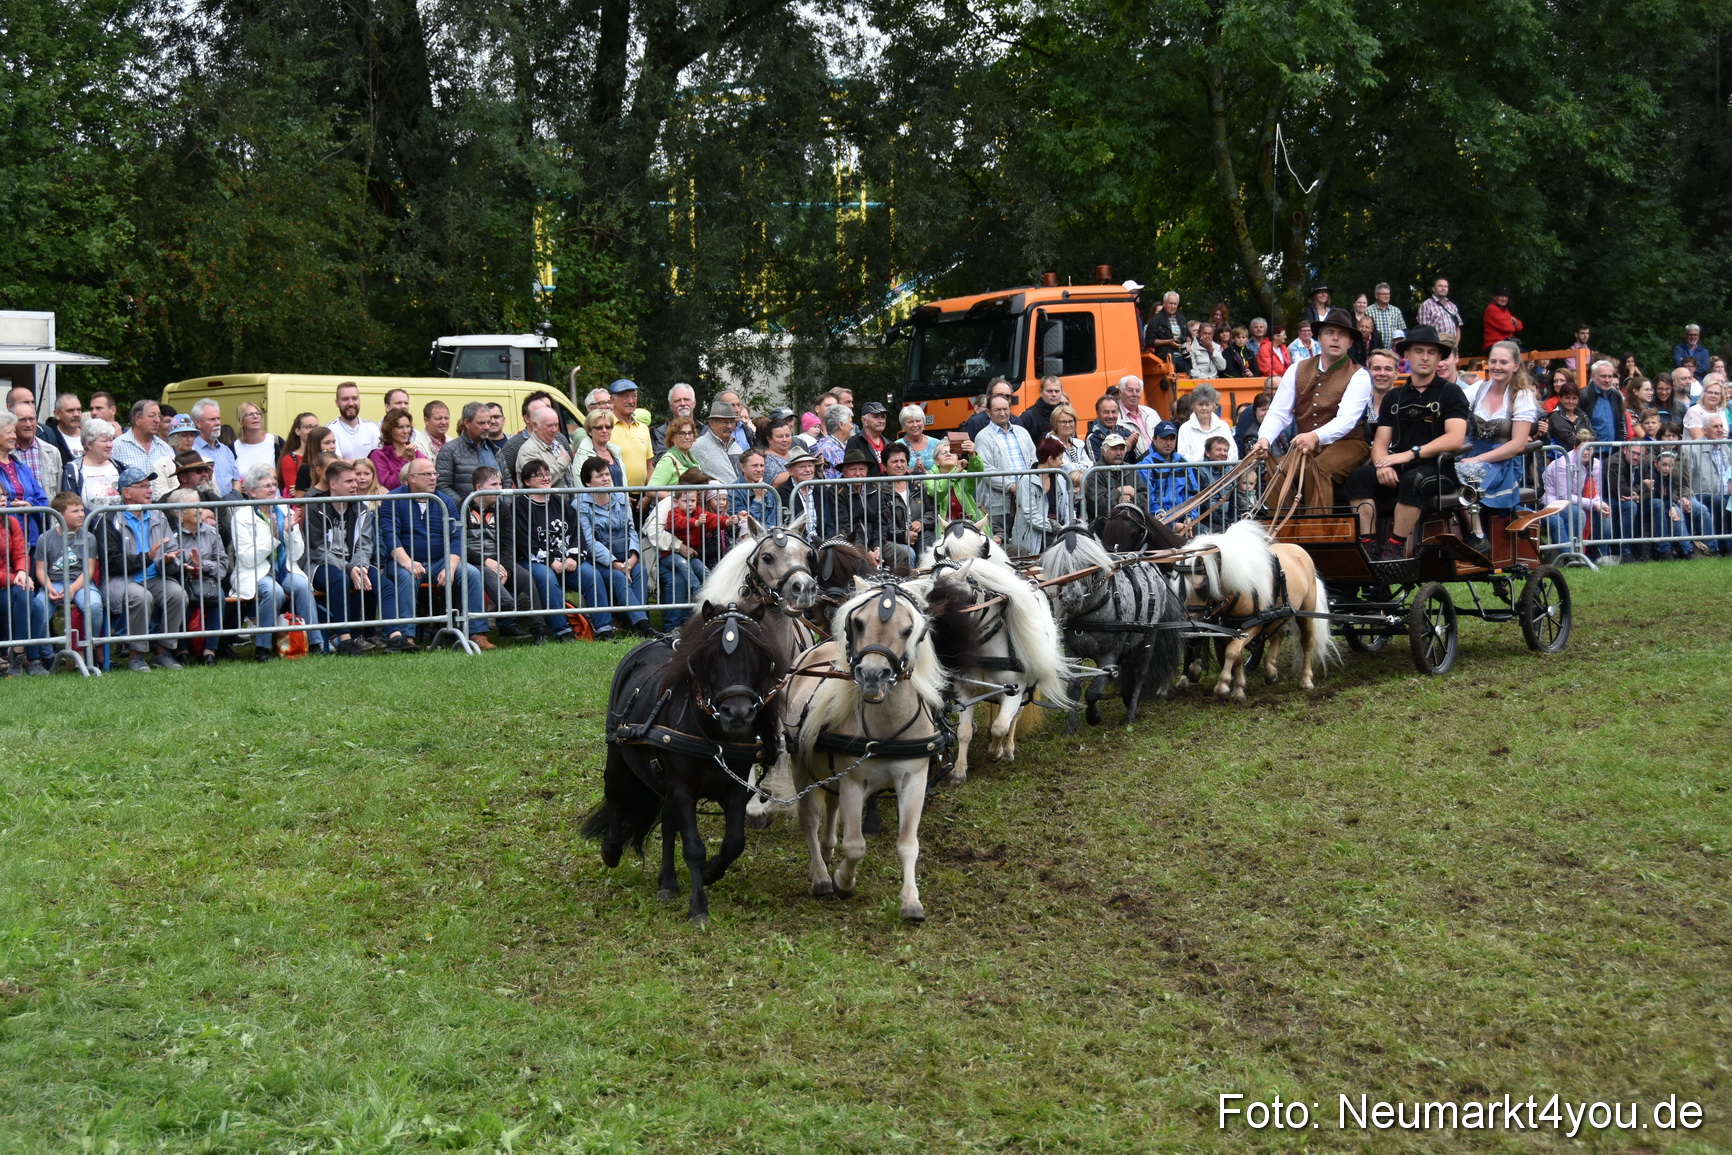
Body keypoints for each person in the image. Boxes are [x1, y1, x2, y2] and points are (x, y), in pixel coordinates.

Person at [1346, 325, 1471, 559]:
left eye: (1431, 352)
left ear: (1439, 357)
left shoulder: (1451, 393)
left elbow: (1455, 438)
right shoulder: (1395, 396)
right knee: (1359, 477)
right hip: (1399, 466)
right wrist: (1384, 465)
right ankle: (1369, 547)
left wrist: (1409, 454)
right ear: (1407, 356)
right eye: (1418, 351)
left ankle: (1395, 548)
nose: (1424, 357)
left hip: (1438, 470)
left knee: (1414, 480)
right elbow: (1381, 443)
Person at [1253, 308, 1373, 511]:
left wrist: (1315, 436)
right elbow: (1279, 413)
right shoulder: (1296, 369)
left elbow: (1347, 420)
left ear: (1350, 342)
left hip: (1350, 443)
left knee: (1317, 469)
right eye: (1329, 333)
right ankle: (1283, 534)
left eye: (1343, 334)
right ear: (1319, 338)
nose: (1336, 338)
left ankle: (1318, 535)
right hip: (1308, 446)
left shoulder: (1359, 375)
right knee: (1276, 471)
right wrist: (1264, 439)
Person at [381, 458, 493, 649]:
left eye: (435, 474)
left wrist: (450, 567)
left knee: (471, 573)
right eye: (427, 474)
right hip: (405, 561)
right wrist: (407, 562)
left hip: (440, 561)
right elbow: (390, 535)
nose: (433, 478)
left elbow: (457, 537)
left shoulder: (444, 500)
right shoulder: (393, 499)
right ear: (412, 478)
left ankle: (477, 633)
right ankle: (407, 637)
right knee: (406, 577)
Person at [91, 466, 187, 672]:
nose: (149, 490)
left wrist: (169, 560)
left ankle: (163, 651)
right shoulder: (109, 519)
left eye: (150, 485)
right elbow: (112, 562)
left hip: (155, 577)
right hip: (122, 580)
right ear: (126, 492)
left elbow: (170, 550)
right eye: (142, 486)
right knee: (141, 597)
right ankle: (137, 655)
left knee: (178, 594)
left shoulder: (157, 516)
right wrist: (148, 557)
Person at [1454, 340, 1540, 548]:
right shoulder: (1478, 389)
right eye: (1493, 361)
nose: (1497, 367)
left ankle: (1478, 536)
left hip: (1503, 459)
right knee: (1443, 475)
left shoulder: (1522, 396)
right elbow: (1453, 405)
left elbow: (1518, 445)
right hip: (1471, 452)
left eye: (1503, 362)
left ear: (1516, 366)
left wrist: (1477, 459)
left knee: (1466, 475)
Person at [231, 464, 317, 661]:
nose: (272, 489)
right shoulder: (241, 516)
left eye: (274, 485)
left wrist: (288, 532)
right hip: (255, 572)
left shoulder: (284, 509)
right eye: (266, 486)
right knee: (274, 591)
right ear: (252, 492)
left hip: (284, 569)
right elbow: (247, 558)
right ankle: (262, 648)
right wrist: (274, 538)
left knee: (303, 585)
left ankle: (315, 642)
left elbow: (296, 553)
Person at [304, 459, 385, 655]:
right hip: (320, 565)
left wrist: (360, 567)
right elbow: (318, 550)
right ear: (333, 484)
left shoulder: (361, 508)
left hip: (354, 564)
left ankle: (396, 635)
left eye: (355, 480)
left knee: (382, 582)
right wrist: (349, 569)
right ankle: (345, 639)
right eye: (349, 481)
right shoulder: (315, 507)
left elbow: (365, 545)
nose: (355, 485)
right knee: (340, 580)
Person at [499, 457, 579, 642]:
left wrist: (573, 556)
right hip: (532, 559)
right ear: (527, 481)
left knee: (592, 575)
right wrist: (551, 560)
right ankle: (562, 630)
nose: (545, 478)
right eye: (538, 475)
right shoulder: (520, 506)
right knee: (546, 577)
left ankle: (603, 627)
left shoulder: (560, 501)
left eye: (547, 474)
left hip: (565, 558)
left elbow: (576, 533)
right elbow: (524, 542)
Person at [576, 456, 653, 640]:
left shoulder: (621, 496)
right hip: (599, 560)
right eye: (599, 476)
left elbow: (631, 529)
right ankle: (643, 626)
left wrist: (633, 557)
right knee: (619, 577)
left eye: (607, 474)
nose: (606, 478)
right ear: (587, 482)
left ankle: (639, 622)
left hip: (626, 556)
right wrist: (615, 563)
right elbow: (589, 541)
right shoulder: (580, 504)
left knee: (640, 571)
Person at [162, 487, 231, 663]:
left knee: (219, 597)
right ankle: (182, 650)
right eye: (194, 506)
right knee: (181, 597)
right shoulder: (171, 536)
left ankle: (210, 650)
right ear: (179, 513)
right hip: (182, 580)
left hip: (208, 580)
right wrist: (183, 566)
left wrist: (203, 565)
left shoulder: (211, 533)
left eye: (200, 504)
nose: (200, 510)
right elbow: (169, 565)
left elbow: (223, 564)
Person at [30, 491, 99, 664]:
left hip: (81, 584)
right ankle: (47, 654)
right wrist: (49, 588)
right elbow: (40, 569)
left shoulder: (89, 537)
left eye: (82, 510)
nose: (82, 514)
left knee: (95, 606)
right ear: (60, 515)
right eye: (75, 511)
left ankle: (88, 650)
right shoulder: (45, 538)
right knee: (39, 610)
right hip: (54, 583)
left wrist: (73, 589)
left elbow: (89, 570)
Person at [463, 466, 526, 633]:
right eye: (494, 484)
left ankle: (535, 626)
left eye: (500, 484)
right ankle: (507, 606)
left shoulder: (502, 509)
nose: (500, 488)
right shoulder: (462, 507)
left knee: (523, 576)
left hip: (496, 559)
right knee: (486, 572)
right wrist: (485, 560)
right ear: (478, 488)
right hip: (473, 560)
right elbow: (459, 545)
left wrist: (505, 568)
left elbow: (507, 544)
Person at [974, 392, 1036, 542]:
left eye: (1006, 409)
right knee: (1002, 544)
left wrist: (1029, 486)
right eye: (997, 410)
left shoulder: (1022, 432)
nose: (1003, 413)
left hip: (1026, 498)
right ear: (988, 412)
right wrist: (1013, 487)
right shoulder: (983, 437)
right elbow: (986, 470)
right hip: (998, 504)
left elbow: (1034, 461)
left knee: (1026, 541)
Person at [1541, 430, 1611, 557]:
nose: (1585, 452)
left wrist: (1600, 502)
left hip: (1582, 501)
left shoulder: (1595, 464)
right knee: (1578, 513)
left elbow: (1597, 491)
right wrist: (1592, 504)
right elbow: (1564, 496)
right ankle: (1572, 555)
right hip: (1555, 502)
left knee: (1605, 514)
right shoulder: (1563, 464)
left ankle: (1602, 556)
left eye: (1589, 449)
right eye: (1581, 449)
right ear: (1575, 448)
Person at [1011, 438, 1072, 556]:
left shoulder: (1059, 478)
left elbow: (1066, 507)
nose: (1062, 462)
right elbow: (1031, 515)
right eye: (1060, 458)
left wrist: (1069, 527)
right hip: (1034, 537)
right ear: (1050, 459)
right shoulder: (1027, 480)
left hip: (1057, 532)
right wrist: (1054, 527)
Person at [0, 410, 51, 550]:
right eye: (8, 432)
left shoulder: (22, 467)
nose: (13, 437)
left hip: (29, 538)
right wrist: (8, 506)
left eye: (14, 432)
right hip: (3, 541)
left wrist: (30, 505)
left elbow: (42, 500)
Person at [1682, 415, 1730, 556]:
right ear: (1704, 430)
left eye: (1721, 426)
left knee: (1726, 501)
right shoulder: (1692, 448)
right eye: (1715, 426)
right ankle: (1725, 548)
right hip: (1700, 494)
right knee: (1720, 502)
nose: (1720, 430)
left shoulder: (1726, 448)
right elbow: (1686, 478)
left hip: (1725, 494)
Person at [111, 399, 177, 499]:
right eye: (152, 416)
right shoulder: (117, 446)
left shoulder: (164, 448)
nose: (157, 420)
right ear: (138, 419)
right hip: (130, 510)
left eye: (159, 416)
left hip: (160, 510)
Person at [434, 402, 499, 503]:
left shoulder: (495, 450)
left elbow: (506, 480)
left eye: (488, 422)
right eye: (481, 423)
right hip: (465, 515)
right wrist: (464, 506)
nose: (487, 427)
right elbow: (442, 485)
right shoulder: (449, 450)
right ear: (467, 423)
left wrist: (505, 504)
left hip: (497, 513)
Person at [1607, 440, 1661, 560]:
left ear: (1644, 455)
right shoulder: (1615, 462)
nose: (1636, 457)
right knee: (1630, 505)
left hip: (1635, 500)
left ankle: (1664, 550)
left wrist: (1639, 497)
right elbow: (1621, 491)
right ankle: (1624, 551)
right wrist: (1643, 486)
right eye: (1633, 453)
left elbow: (1653, 490)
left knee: (1658, 504)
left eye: (1639, 454)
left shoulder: (1644, 463)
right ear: (1625, 449)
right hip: (1611, 500)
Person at [1081, 433, 1150, 521]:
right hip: (1104, 524)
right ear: (1103, 451)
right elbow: (1099, 507)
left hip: (1132, 522)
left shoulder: (1131, 469)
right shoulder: (1094, 473)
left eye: (1121, 449)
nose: (1118, 453)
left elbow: (1144, 497)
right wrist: (1119, 491)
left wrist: (1129, 500)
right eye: (1114, 449)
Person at [923, 441, 988, 533]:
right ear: (936, 461)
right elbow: (936, 492)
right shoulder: (929, 476)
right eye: (944, 453)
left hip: (969, 525)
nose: (948, 454)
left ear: (957, 458)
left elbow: (978, 471)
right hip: (943, 530)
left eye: (952, 452)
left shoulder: (963, 474)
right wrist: (955, 473)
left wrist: (972, 454)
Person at [186, 399, 242, 494]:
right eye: (211, 419)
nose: (218, 423)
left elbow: (236, 481)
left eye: (218, 418)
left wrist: (233, 498)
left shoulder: (226, 451)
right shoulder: (190, 450)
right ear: (198, 423)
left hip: (230, 507)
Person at [9, 400, 62, 499]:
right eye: (22, 420)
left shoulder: (52, 452)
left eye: (31, 419)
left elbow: (60, 492)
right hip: (17, 513)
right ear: (12, 423)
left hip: (47, 513)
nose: (28, 424)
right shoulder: (5, 453)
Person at [606, 379, 653, 488]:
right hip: (616, 495)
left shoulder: (643, 428)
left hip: (642, 497)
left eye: (634, 396)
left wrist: (648, 494)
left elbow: (649, 465)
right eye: (625, 397)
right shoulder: (606, 427)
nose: (631, 401)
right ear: (612, 400)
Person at [515, 405, 576, 489]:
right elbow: (538, 482)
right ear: (535, 426)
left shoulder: (557, 444)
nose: (554, 429)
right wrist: (562, 463)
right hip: (544, 501)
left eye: (556, 425)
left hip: (563, 501)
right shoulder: (528, 450)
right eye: (549, 425)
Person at [369, 406, 427, 491]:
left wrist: (413, 460)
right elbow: (389, 485)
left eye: (408, 426)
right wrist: (405, 460)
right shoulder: (379, 455)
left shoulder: (416, 453)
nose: (406, 431)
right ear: (389, 430)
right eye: (400, 427)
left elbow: (427, 479)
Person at [1177, 383, 1237, 463]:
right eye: (1200, 404)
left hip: (1223, 472)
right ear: (1193, 407)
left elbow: (1233, 454)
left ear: (1214, 406)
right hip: (1196, 474)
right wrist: (1208, 455)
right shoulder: (1185, 428)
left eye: (1208, 404)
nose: (1204, 408)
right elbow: (1183, 458)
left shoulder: (1223, 426)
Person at [1579, 360, 1630, 446]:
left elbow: (1621, 422)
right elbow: (1579, 425)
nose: (1607, 380)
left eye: (1610, 376)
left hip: (1613, 451)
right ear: (1593, 376)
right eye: (1603, 376)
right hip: (1591, 450)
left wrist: (1619, 443)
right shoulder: (1583, 395)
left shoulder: (1616, 395)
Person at [326, 381, 380, 459]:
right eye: (345, 399)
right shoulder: (330, 430)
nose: (351, 403)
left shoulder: (373, 428)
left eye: (355, 398)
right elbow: (336, 464)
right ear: (337, 403)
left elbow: (379, 462)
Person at [728, 447, 782, 526]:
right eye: (755, 465)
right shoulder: (732, 491)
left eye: (762, 465)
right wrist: (758, 499)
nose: (759, 469)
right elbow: (744, 525)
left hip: (767, 536)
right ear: (743, 467)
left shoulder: (769, 490)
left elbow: (772, 524)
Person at [693, 398, 742, 482]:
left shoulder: (737, 448)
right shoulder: (698, 446)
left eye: (732, 422)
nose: (729, 426)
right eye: (725, 422)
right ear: (712, 423)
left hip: (741, 494)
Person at [648, 415, 701, 490]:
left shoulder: (693, 460)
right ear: (672, 437)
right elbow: (651, 490)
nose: (687, 437)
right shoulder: (668, 460)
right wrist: (676, 499)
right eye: (682, 433)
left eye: (690, 433)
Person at [775, 447, 823, 528]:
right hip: (796, 539)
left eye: (810, 465)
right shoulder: (782, 493)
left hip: (822, 539)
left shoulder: (821, 490)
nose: (808, 470)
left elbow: (830, 523)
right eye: (802, 467)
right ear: (790, 471)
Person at [1143, 291, 1189, 373]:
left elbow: (1188, 336)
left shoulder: (1182, 319)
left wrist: (1188, 343)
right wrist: (1168, 342)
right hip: (1166, 357)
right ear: (1164, 304)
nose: (1173, 306)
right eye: (1170, 303)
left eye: (1175, 304)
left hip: (1183, 357)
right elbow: (1149, 341)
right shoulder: (1155, 320)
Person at [843, 400, 893, 476]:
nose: (881, 421)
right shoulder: (854, 442)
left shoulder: (890, 444)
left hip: (888, 487)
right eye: (876, 417)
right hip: (866, 487)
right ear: (864, 420)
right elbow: (851, 471)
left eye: (883, 417)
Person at [651, 383, 698, 458]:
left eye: (686, 399)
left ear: (694, 403)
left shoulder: (705, 431)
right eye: (677, 401)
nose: (682, 403)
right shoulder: (661, 433)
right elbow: (663, 459)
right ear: (671, 406)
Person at [1016, 377, 1067, 441]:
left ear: (1062, 392)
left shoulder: (1066, 414)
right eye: (1049, 391)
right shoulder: (1029, 416)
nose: (1054, 394)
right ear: (1041, 392)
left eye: (1057, 391)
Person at [293, 426, 337, 495]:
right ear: (315, 445)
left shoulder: (339, 462)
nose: (333, 446)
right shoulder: (306, 469)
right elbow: (299, 500)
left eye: (334, 442)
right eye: (327, 443)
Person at [1416, 277, 1463, 341]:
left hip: (1452, 345)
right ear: (1433, 289)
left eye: (1446, 286)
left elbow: (1457, 328)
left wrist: (1455, 347)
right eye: (1440, 286)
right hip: (1436, 345)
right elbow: (1425, 331)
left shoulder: (1452, 306)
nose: (1443, 288)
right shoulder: (1426, 305)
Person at [41, 392, 83, 463]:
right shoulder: (47, 438)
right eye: (70, 410)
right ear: (57, 414)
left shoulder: (90, 436)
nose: (76, 414)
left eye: (79, 410)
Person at [813, 404, 852, 478]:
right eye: (850, 422)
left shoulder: (835, 446)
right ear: (841, 425)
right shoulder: (827, 449)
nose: (852, 426)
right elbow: (828, 483)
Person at [1481, 286, 1523, 351]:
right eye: (1501, 296)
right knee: (1521, 355)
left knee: (1526, 354)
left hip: (1506, 344)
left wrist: (1514, 322)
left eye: (1506, 296)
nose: (1504, 299)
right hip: (1494, 345)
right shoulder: (1492, 309)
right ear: (1494, 297)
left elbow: (1520, 327)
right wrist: (1513, 323)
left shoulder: (1505, 310)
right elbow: (1507, 328)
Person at [1365, 283, 1405, 349]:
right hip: (1374, 350)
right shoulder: (1368, 311)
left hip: (1393, 352)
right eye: (1383, 294)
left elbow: (1403, 331)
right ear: (1376, 295)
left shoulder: (1396, 311)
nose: (1386, 296)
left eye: (1388, 294)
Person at [763, 415, 799, 486]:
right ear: (769, 439)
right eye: (780, 437)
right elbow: (774, 482)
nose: (784, 440)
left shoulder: (796, 454)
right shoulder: (765, 458)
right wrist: (800, 471)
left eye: (788, 436)